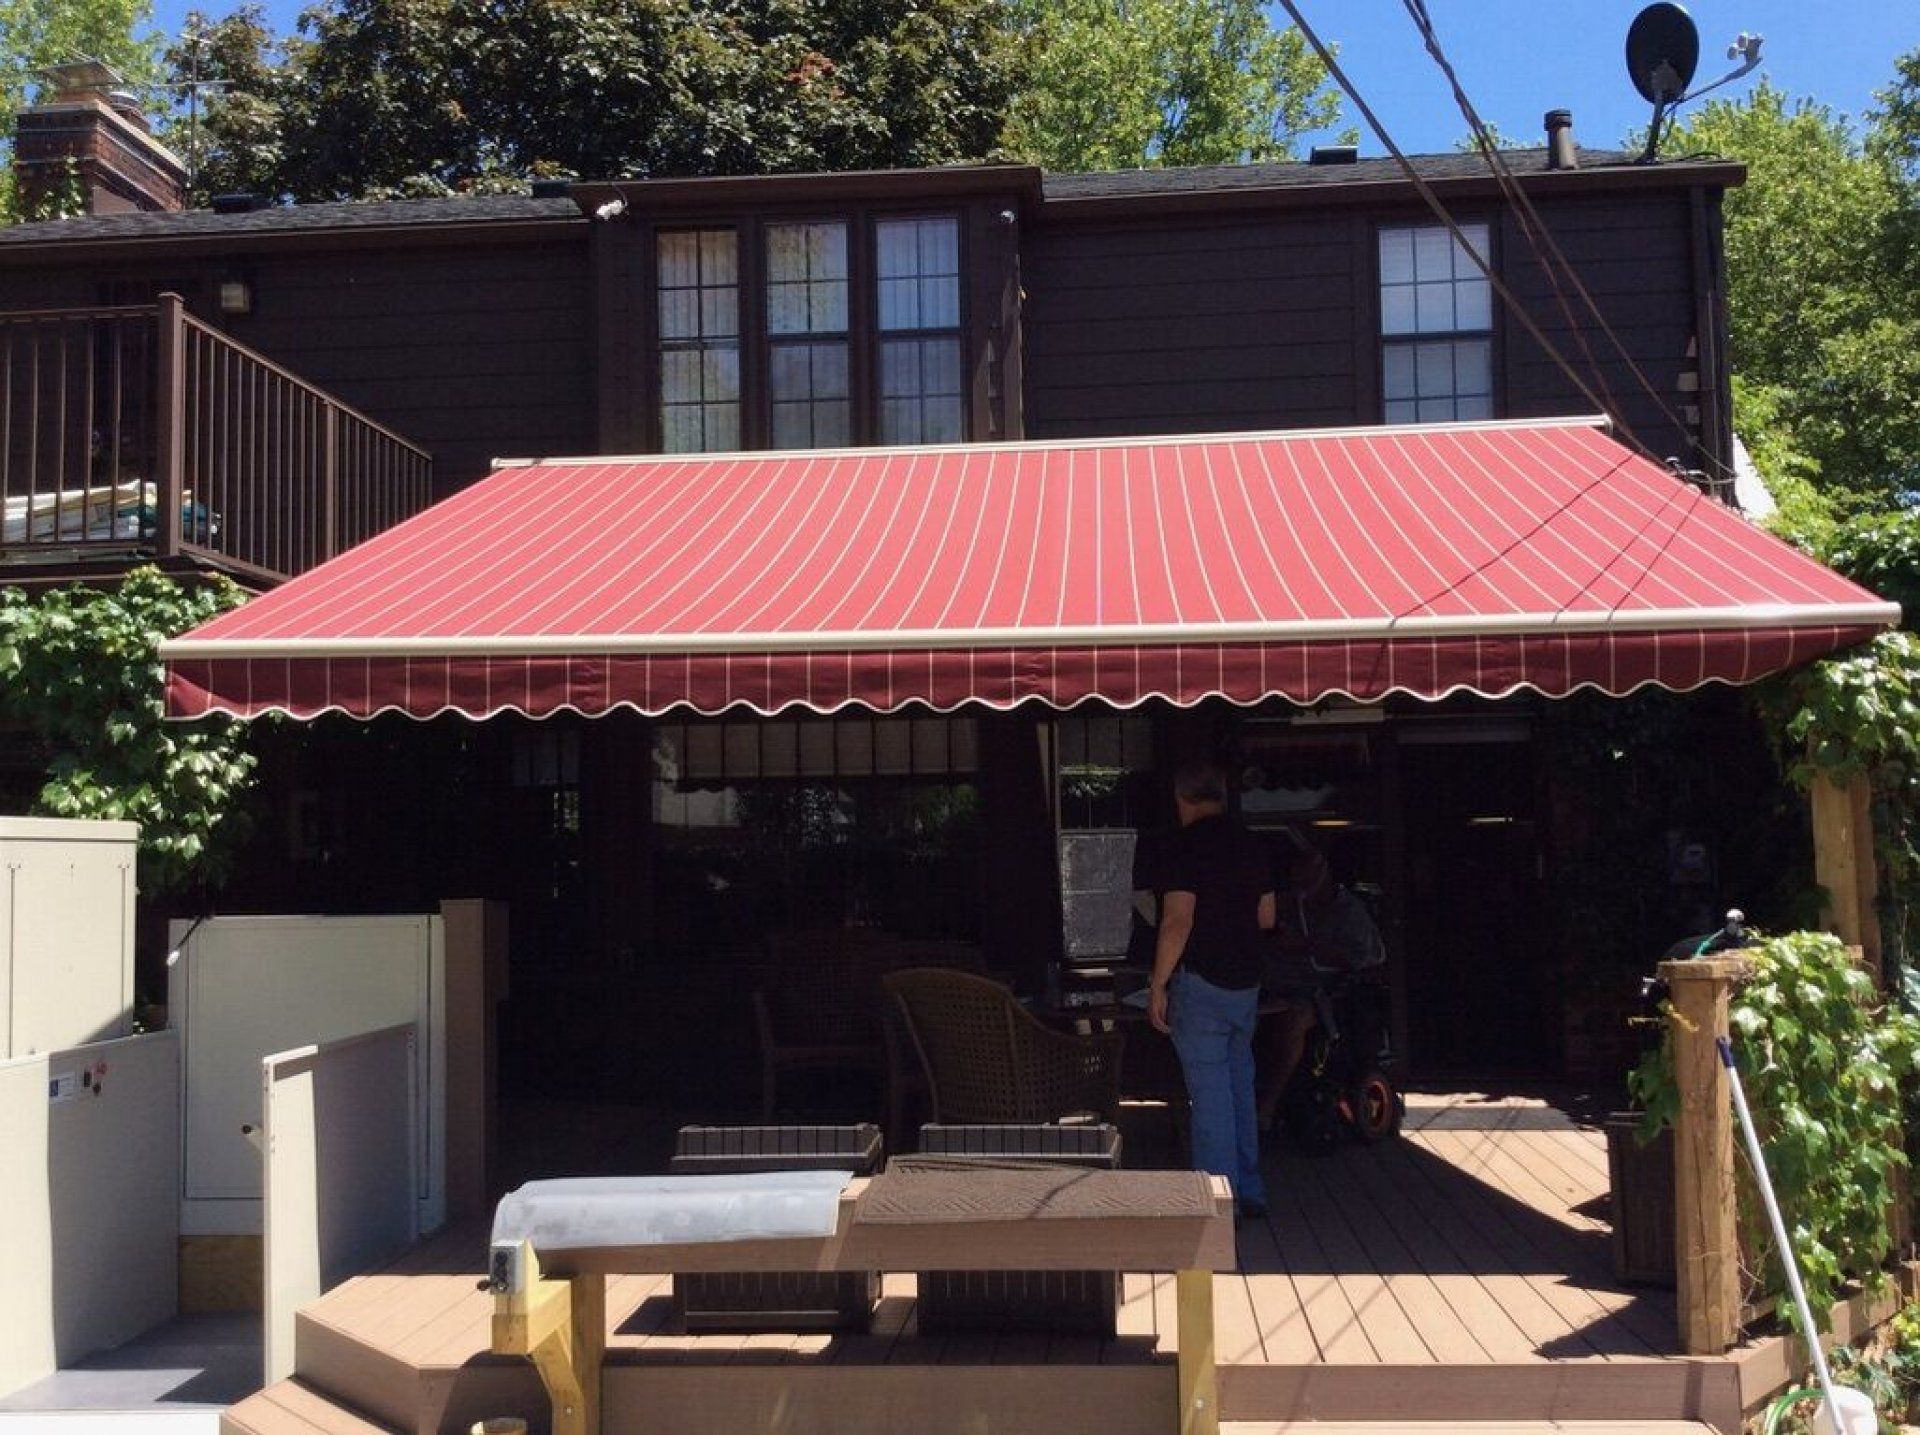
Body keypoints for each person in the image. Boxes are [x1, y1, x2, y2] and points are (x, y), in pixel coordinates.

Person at [1148, 761, 1276, 1217]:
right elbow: (1267, 917)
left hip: (1201, 982)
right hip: (1247, 983)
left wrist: (1158, 984)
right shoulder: (1250, 842)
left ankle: (1221, 1201)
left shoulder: (1183, 847)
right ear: (1221, 794)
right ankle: (1251, 1186)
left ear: (1182, 798)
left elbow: (1177, 922)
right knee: (1240, 1085)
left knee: (1210, 1098)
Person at [1256, 844, 1386, 1131]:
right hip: (1272, 987)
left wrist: (1304, 945)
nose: (1300, 877)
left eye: (1307, 869)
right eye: (1296, 870)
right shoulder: (1286, 903)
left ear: (1323, 870)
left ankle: (1268, 1106)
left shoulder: (1348, 910)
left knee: (1291, 1023)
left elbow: (1363, 958)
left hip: (1325, 993)